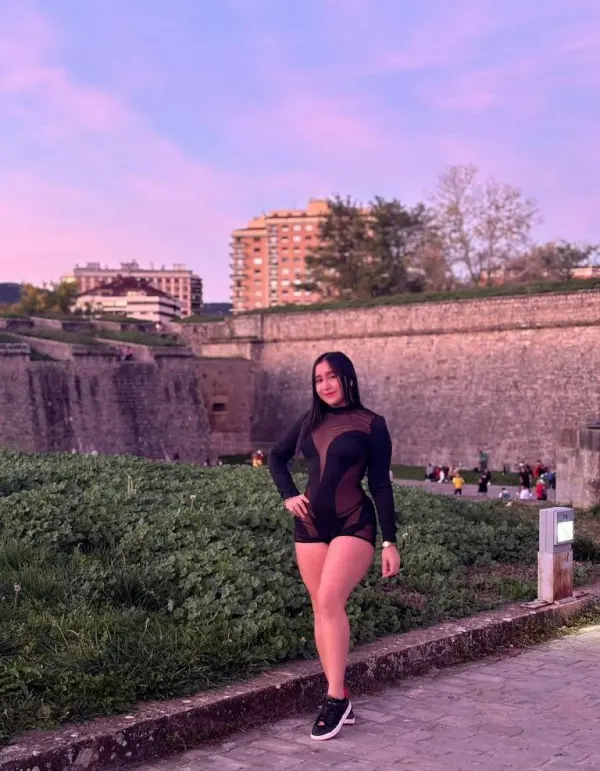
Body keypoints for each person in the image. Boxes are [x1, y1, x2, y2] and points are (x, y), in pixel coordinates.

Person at [268, 351, 401, 742]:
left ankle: (334, 700)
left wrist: (390, 541)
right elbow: (276, 457)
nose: (325, 385)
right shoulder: (309, 420)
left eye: (331, 376)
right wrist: (288, 495)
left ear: (347, 378)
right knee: (320, 607)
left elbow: (381, 485)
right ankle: (340, 694)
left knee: (329, 600)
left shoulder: (372, 424)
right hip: (309, 523)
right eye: (318, 379)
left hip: (353, 521)